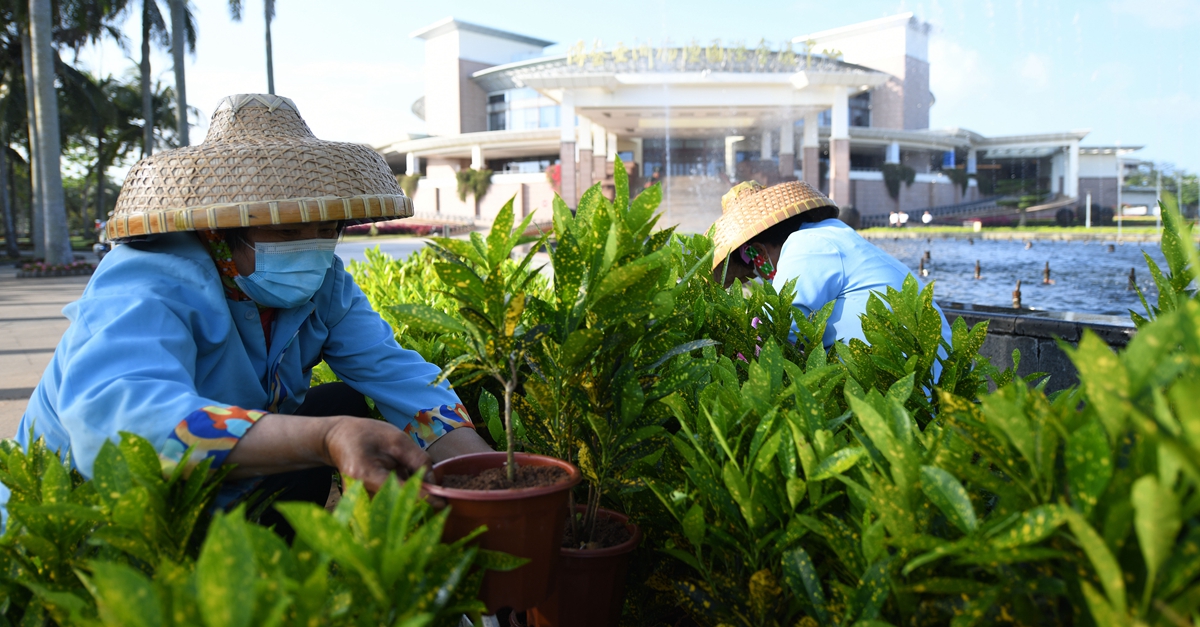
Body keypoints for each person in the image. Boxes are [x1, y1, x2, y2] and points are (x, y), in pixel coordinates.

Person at [7, 94, 493, 535]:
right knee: (327, 425)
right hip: (84, 523)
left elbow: (397, 375)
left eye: (327, 229)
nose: (312, 249)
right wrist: (325, 437)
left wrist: (485, 477)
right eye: (285, 231)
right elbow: (124, 427)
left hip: (210, 492)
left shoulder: (326, 283)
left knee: (338, 404)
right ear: (221, 230)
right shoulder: (147, 281)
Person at [711, 180, 952, 350]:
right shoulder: (831, 233)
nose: (758, 270)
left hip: (908, 386)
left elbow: (780, 329)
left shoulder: (805, 244)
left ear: (759, 251)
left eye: (752, 260)